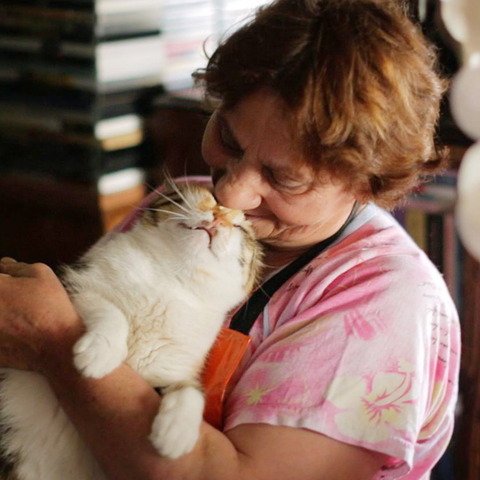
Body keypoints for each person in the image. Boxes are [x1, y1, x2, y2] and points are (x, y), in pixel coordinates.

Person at [0, 0, 460, 479]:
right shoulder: (184, 200)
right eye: (229, 138)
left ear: (367, 184)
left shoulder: (384, 303)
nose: (230, 193)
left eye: (284, 178)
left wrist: (54, 342)